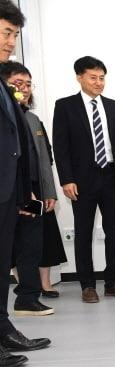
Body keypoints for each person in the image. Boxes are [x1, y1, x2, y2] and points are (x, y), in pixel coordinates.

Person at [52, 56, 115, 303]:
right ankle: (87, 286)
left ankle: (113, 282)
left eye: (102, 78)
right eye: (93, 77)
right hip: (82, 179)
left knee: (114, 232)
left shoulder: (114, 107)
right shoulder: (65, 106)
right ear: (79, 77)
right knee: (83, 233)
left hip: (112, 176)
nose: (99, 82)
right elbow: (61, 147)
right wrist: (66, 179)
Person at [0, 0, 52, 367]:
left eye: (15, 35)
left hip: (9, 192)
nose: (11, 42)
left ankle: (3, 329)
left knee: (4, 264)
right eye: (6, 32)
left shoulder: (5, 89)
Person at [1, 61, 66, 315]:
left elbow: (44, 159)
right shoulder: (6, 118)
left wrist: (48, 192)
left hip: (34, 192)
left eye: (28, 84)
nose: (25, 89)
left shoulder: (32, 118)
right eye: (18, 84)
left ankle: (27, 298)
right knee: (12, 249)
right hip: (11, 190)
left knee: (32, 246)